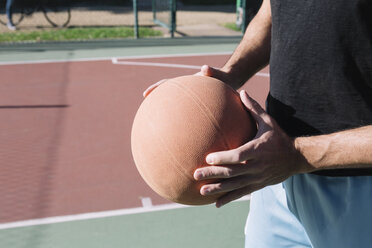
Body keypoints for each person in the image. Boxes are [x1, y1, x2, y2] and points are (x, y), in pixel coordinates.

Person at [144, 0, 372, 247]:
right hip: (274, 172)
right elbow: (274, 9)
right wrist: (230, 73)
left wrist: (298, 154)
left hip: (358, 190)